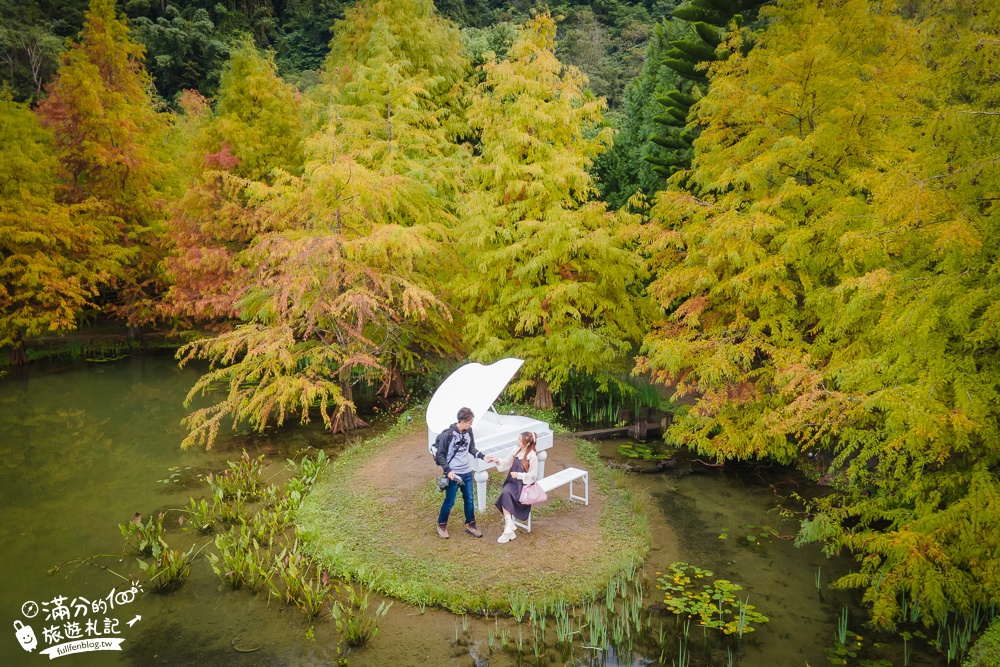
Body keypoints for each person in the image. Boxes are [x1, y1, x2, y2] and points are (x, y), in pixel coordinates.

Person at [435, 407, 498, 539]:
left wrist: (483, 456)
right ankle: (441, 525)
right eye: (470, 422)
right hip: (453, 474)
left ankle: (471, 525)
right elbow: (440, 455)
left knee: (469, 500)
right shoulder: (448, 435)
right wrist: (448, 471)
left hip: (467, 472)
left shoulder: (469, 431)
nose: (471, 424)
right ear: (462, 421)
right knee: (450, 501)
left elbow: (471, 448)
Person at [494, 431, 538, 544]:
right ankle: (509, 525)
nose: (517, 442)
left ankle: (508, 531)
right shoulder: (515, 450)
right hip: (511, 482)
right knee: (505, 493)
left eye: (520, 440)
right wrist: (497, 460)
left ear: (527, 443)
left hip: (523, 487)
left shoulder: (532, 456)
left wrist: (519, 475)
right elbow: (506, 462)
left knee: (506, 497)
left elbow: (533, 475)